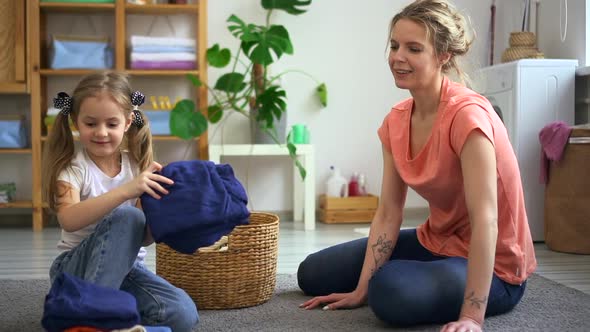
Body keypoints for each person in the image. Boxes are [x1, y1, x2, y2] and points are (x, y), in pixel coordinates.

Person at [297, 1, 536, 331]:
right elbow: (389, 211)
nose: (398, 57)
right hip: (436, 242)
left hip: (496, 267)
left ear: (443, 56)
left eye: (414, 48)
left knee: (390, 291)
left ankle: (425, 288)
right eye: (395, 45)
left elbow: (487, 220)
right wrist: (361, 288)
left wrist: (471, 316)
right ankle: (387, 283)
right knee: (313, 273)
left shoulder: (469, 118)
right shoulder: (395, 122)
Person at [42, 71, 198, 331]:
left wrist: (170, 215)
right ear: (75, 122)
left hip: (127, 270)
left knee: (183, 313)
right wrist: (127, 191)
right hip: (73, 271)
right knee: (129, 215)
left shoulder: (137, 167)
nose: (101, 132)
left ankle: (102, 318)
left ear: (127, 123)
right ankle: (96, 316)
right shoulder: (72, 168)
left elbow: (143, 238)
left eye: (111, 124)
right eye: (91, 124)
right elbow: (68, 220)